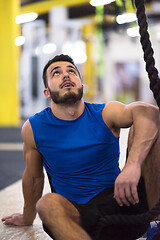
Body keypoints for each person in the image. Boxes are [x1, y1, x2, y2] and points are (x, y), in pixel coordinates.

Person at [2, 54, 159, 240]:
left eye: (71, 71)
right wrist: (28, 216)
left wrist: (132, 165)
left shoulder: (105, 113)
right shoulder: (33, 128)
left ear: (81, 86)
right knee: (47, 204)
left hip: (123, 203)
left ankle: (155, 223)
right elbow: (34, 177)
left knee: (152, 131)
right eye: (56, 73)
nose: (66, 75)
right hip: (76, 218)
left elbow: (149, 112)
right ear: (47, 92)